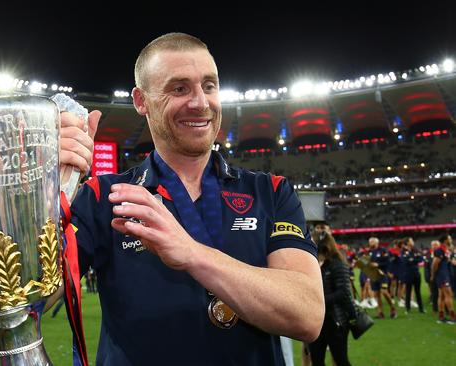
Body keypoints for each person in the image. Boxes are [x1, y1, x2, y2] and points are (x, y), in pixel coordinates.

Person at [70, 32, 324, 365]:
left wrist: (192, 253)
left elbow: (307, 315)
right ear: (141, 100)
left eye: (209, 85)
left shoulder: (271, 191)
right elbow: (29, 297)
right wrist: (44, 188)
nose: (200, 102)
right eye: (179, 88)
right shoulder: (104, 197)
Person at [308, 231, 355, 366]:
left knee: (340, 360)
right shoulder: (313, 264)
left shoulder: (337, 263)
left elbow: (344, 292)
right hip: (317, 321)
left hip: (335, 321)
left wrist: (320, 301)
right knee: (316, 360)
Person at [367, 237, 397, 319]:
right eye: (369, 242)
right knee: (377, 294)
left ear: (376, 242)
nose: (370, 243)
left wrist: (378, 265)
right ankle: (380, 312)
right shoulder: (369, 252)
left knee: (384, 291)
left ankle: (392, 308)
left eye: (371, 241)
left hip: (382, 274)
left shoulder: (383, 250)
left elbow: (388, 262)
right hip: (373, 275)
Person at [430, 234, 455, 323]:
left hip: (445, 275)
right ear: (445, 240)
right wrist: (433, 275)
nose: (451, 239)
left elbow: (448, 261)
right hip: (442, 275)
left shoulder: (446, 250)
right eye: (449, 238)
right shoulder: (440, 250)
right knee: (448, 295)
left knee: (442, 296)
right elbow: (434, 264)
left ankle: (441, 316)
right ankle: (453, 317)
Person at [400, 237, 424, 314]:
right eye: (411, 240)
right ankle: (407, 308)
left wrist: (412, 259)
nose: (413, 241)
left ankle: (421, 309)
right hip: (408, 274)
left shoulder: (415, 250)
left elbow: (420, 259)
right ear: (407, 242)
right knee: (408, 291)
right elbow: (405, 261)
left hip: (416, 274)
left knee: (418, 292)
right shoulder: (403, 251)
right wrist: (414, 259)